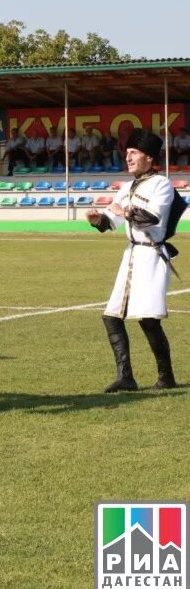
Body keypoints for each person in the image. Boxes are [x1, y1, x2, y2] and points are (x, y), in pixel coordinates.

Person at [86, 130, 183, 393]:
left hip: (152, 255)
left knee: (149, 319)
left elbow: (151, 218)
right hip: (131, 255)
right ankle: (125, 377)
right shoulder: (127, 187)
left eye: (133, 153)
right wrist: (99, 221)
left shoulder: (161, 184)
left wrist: (123, 210)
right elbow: (111, 221)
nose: (127, 157)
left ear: (149, 158)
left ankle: (166, 377)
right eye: (127, 153)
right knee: (112, 317)